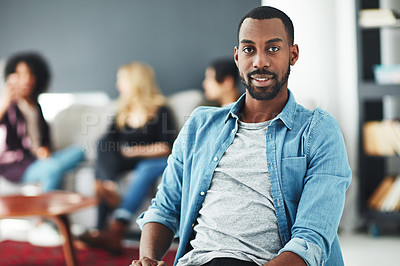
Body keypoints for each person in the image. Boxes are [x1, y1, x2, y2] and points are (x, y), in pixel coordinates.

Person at [132, 6, 352, 266]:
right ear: (237, 57)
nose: (260, 61)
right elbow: (164, 209)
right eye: (249, 49)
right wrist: (147, 258)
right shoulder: (201, 125)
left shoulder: (317, 130)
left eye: (273, 48)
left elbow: (310, 240)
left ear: (292, 55)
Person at [78, 62, 177, 255]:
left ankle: (113, 229)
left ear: (135, 83)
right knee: (103, 144)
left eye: (121, 81)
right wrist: (117, 151)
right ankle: (109, 187)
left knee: (145, 168)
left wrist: (135, 151)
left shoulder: (161, 110)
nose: (117, 86)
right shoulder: (122, 111)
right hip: (123, 161)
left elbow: (166, 147)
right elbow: (108, 141)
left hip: (148, 160)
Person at [0, 52, 84, 192]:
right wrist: (6, 99)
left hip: (38, 160)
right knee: (52, 168)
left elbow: (44, 140)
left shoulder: (36, 106)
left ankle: (46, 173)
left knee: (79, 152)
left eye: (30, 74)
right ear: (12, 77)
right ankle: (46, 211)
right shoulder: (10, 106)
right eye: (20, 75)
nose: (26, 79)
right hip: (17, 165)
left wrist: (44, 150)